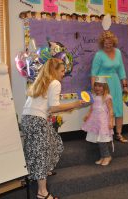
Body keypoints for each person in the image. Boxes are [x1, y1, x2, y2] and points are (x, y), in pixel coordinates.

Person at [21, 58, 85, 199]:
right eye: (62, 71)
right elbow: (54, 107)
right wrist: (74, 104)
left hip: (27, 119)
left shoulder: (40, 81)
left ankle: (42, 171)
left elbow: (46, 108)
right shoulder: (55, 82)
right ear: (54, 71)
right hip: (37, 120)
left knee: (54, 143)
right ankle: (42, 193)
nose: (63, 74)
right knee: (41, 154)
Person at [91, 30, 128, 143]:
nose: (108, 45)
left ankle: (118, 134)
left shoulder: (118, 52)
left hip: (116, 83)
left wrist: (125, 85)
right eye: (106, 43)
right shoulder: (99, 55)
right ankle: (105, 135)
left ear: (114, 42)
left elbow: (121, 69)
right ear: (102, 43)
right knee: (104, 110)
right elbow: (93, 73)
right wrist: (94, 88)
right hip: (103, 84)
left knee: (118, 109)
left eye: (110, 43)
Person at [82, 76, 114, 166]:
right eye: (96, 86)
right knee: (99, 140)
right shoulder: (94, 96)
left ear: (105, 87)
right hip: (95, 121)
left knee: (102, 140)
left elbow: (111, 110)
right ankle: (103, 156)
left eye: (100, 86)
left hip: (103, 122)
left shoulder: (107, 97)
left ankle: (107, 156)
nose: (97, 88)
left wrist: (111, 121)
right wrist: (87, 115)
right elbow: (92, 108)